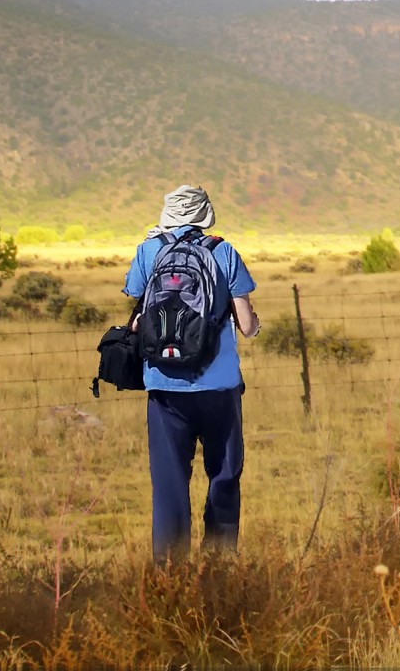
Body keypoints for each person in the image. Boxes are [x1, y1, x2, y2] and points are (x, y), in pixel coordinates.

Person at [125, 183, 259, 554]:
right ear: (205, 216)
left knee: (169, 484)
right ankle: (218, 568)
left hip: (164, 386)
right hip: (219, 387)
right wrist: (254, 323)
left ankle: (170, 579)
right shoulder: (224, 251)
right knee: (224, 477)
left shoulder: (149, 251)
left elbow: (137, 313)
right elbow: (246, 326)